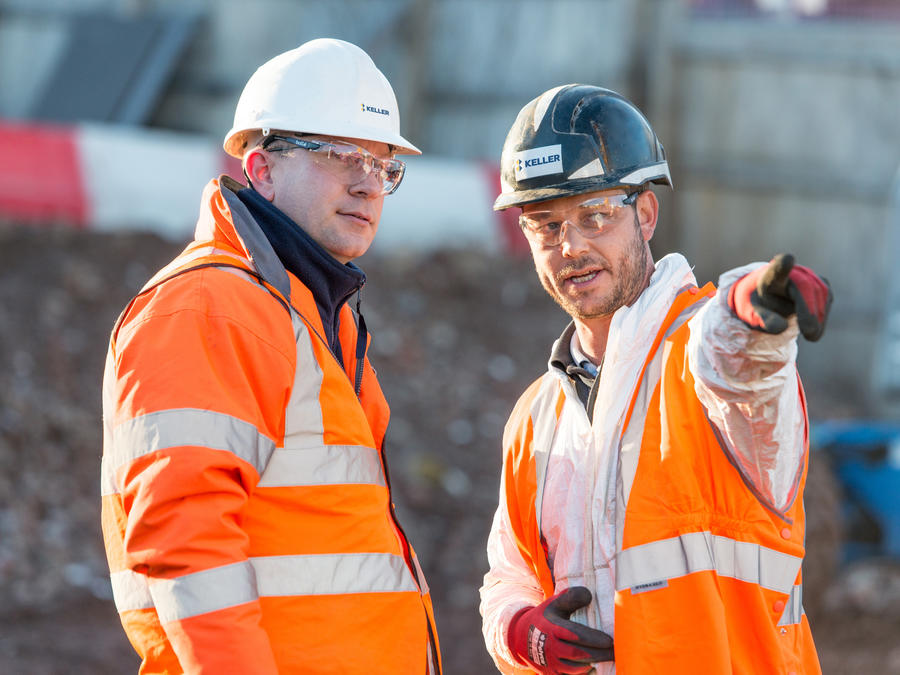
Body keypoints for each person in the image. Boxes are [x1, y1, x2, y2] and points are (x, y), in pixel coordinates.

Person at [100, 38, 441, 674]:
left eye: (382, 164)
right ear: (261, 170)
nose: (368, 184)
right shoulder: (209, 307)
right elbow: (188, 542)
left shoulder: (308, 313)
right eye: (341, 156)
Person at [479, 84, 831, 674]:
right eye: (545, 224)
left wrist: (751, 314)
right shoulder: (536, 417)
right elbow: (508, 574)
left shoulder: (699, 356)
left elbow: (740, 371)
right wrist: (518, 631)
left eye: (594, 215)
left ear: (645, 214)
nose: (571, 247)